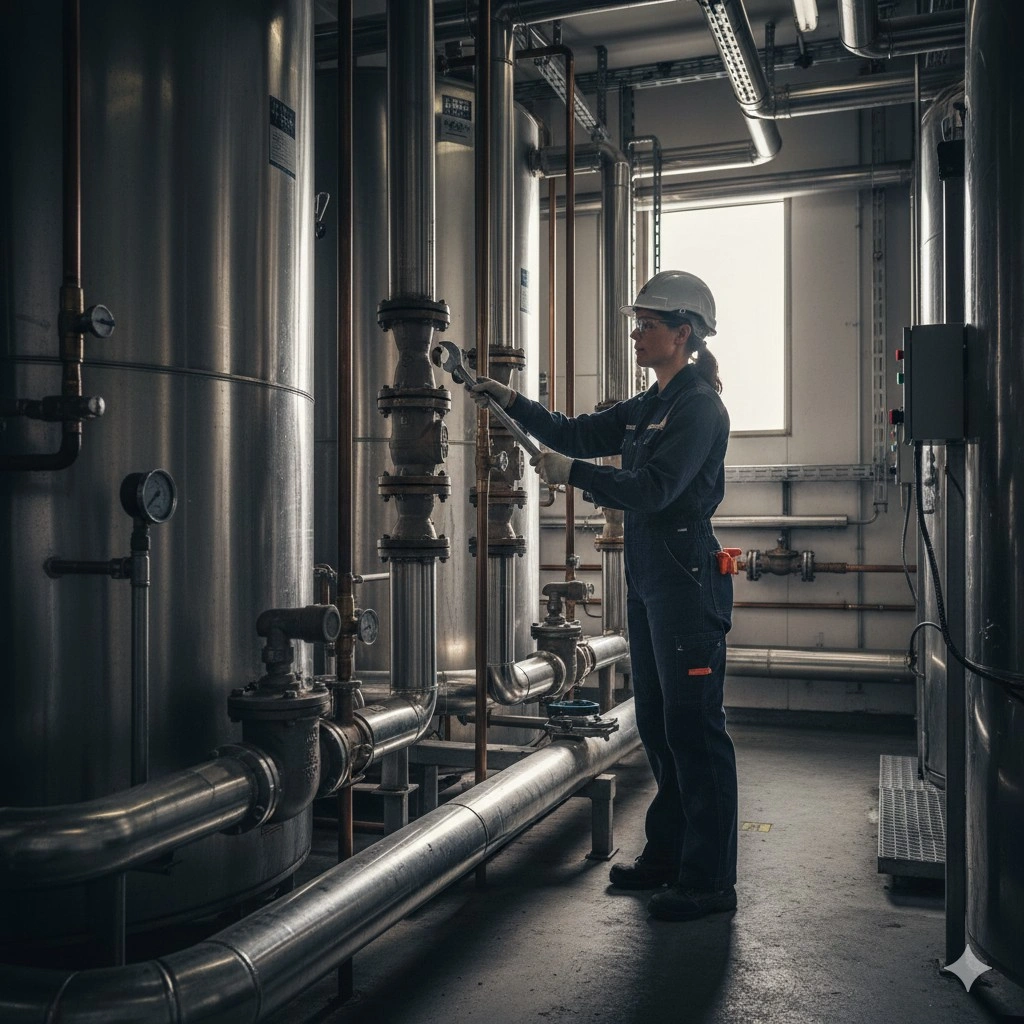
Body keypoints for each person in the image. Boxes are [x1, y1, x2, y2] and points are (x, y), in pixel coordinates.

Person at [471, 270, 736, 922]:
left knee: (692, 730)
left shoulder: (698, 406)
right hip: (649, 578)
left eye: (648, 323)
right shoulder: (650, 404)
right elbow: (578, 432)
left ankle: (707, 880)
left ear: (684, 333)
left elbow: (654, 490)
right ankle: (666, 857)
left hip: (684, 575)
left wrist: (575, 477)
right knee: (655, 725)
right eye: (636, 321)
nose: (636, 332)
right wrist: (509, 401)